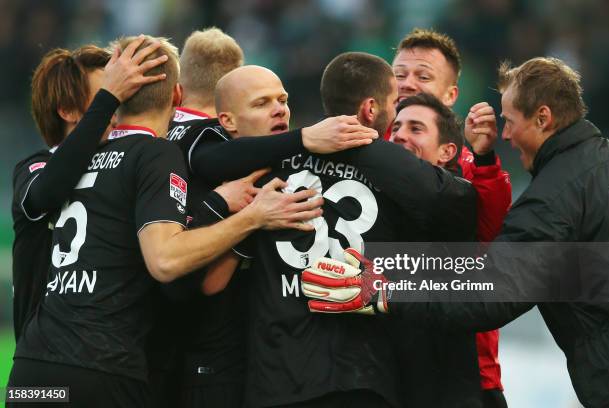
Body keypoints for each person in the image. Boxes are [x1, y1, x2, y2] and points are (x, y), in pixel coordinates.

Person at [8, 35, 323, 408]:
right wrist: (249, 215)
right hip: (106, 369)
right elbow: (167, 262)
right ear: (177, 95)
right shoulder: (153, 154)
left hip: (30, 369)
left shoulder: (75, 164)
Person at [303, 56, 609, 408]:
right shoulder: (599, 166)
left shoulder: (554, 198)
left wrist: (382, 292)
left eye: (510, 122)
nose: (505, 135)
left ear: (543, 118)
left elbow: (491, 292)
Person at [208, 53, 476, 407]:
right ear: (370, 109)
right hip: (361, 377)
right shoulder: (397, 177)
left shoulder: (268, 164)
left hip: (276, 376)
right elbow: (461, 204)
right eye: (394, 104)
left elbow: (206, 161)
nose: (396, 117)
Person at [165, 28, 379, 408]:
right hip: (213, 365)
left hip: (278, 368)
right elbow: (212, 283)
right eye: (263, 103)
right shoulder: (209, 153)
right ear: (225, 120)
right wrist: (252, 219)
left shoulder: (273, 170)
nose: (280, 109)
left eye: (283, 99)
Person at [11, 37, 167, 342]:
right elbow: (45, 194)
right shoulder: (34, 167)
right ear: (68, 111)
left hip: (102, 361)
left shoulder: (126, 168)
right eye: (107, 97)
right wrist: (108, 97)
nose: (117, 110)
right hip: (38, 371)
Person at [392, 28, 511, 406]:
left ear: (451, 94)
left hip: (467, 368)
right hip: (385, 365)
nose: (408, 84)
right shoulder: (365, 157)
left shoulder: (476, 167)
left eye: (423, 76)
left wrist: (485, 160)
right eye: (399, 74)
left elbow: (494, 242)